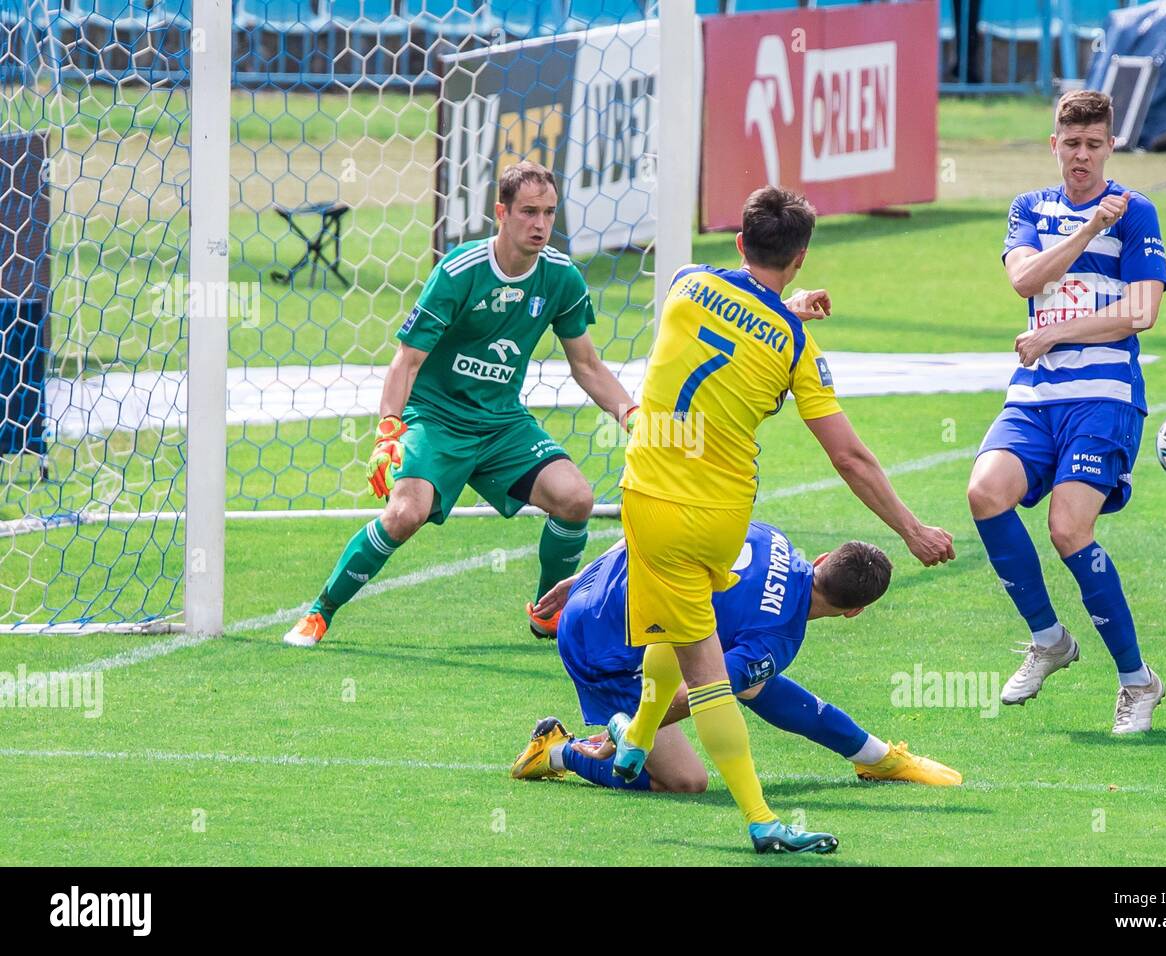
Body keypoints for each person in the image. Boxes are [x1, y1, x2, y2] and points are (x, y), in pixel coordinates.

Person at [612, 185, 956, 854]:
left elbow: (730, 322)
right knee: (683, 633)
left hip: (649, 495)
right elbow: (849, 457)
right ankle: (658, 757)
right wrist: (911, 529)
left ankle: (751, 812)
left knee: (699, 659)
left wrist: (782, 309)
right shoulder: (797, 347)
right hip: (723, 516)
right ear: (798, 259)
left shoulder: (685, 283)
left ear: (740, 242)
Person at [282, 161, 637, 645]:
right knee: (406, 514)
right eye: (529, 212)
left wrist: (634, 417)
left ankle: (547, 613)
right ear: (501, 213)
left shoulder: (561, 278)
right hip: (436, 419)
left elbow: (588, 366)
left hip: (502, 424)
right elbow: (406, 361)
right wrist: (388, 430)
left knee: (576, 498)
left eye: (549, 213)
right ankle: (321, 611)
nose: (540, 225)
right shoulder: (459, 271)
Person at [968, 90, 1166, 733]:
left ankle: (1138, 682)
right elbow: (1025, 282)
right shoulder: (1030, 207)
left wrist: (1056, 333)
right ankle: (1049, 639)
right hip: (1034, 397)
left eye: (1094, 144)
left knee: (1067, 529)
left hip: (1104, 395)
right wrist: (1088, 229)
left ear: (1110, 146)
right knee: (984, 493)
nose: (1082, 156)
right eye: (1071, 143)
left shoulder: (1138, 212)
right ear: (1053, 144)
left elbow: (1140, 313)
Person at [509, 523, 962, 793]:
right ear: (853, 611)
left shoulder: (769, 535)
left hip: (604, 582)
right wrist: (632, 735)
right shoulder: (778, 638)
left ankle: (874, 755)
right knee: (686, 782)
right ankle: (559, 753)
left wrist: (582, 578)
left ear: (823, 558)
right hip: (601, 648)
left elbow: (664, 527)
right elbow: (701, 692)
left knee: (750, 675)